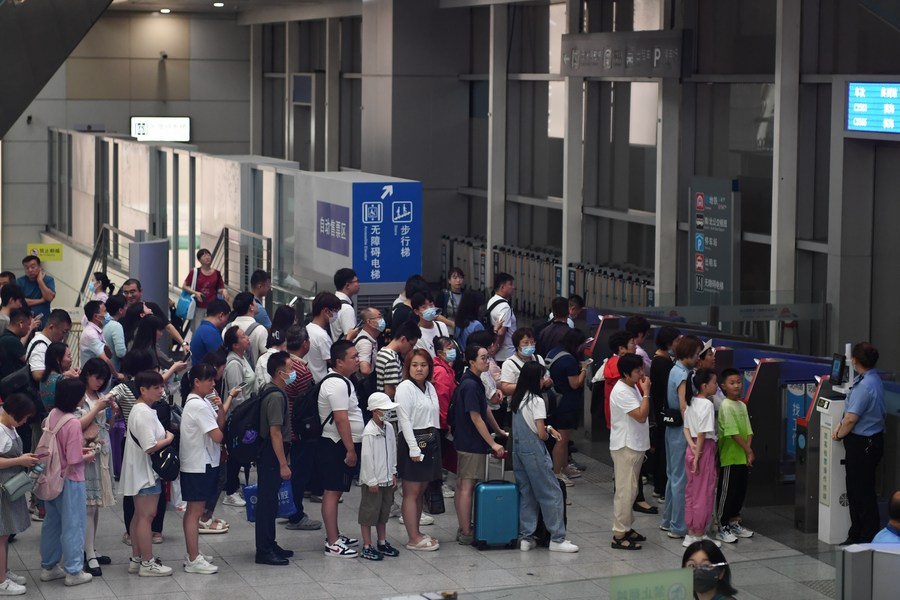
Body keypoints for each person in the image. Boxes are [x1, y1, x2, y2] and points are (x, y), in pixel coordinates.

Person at [511, 361, 579, 553]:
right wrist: (548, 433)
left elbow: (532, 424)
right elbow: (540, 434)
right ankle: (557, 538)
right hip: (535, 452)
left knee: (528, 494)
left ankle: (526, 537)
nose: (545, 380)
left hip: (519, 452)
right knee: (552, 492)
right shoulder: (537, 400)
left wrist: (547, 428)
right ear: (535, 379)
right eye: (542, 377)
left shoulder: (518, 398)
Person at [38, 378, 95, 587]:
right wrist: (88, 455)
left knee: (51, 524)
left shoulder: (53, 414)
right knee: (73, 525)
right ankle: (74, 570)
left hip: (51, 477)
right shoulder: (72, 422)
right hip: (71, 480)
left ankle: (49, 566)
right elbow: (73, 458)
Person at [179, 363, 235, 573]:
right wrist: (223, 427)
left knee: (195, 511)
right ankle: (193, 559)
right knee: (194, 512)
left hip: (201, 463)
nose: (213, 384)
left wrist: (220, 407)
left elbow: (218, 423)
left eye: (214, 380)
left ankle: (193, 553)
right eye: (209, 380)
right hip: (198, 465)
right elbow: (218, 435)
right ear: (196, 382)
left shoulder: (201, 402)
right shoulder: (198, 405)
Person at [121, 370, 175, 577]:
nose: (161, 391)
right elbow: (149, 446)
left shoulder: (142, 409)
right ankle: (147, 562)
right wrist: (169, 439)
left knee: (139, 515)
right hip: (145, 472)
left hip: (141, 471)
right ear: (143, 390)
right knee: (146, 516)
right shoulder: (142, 412)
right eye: (156, 388)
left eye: (161, 387)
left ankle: (137, 558)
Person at [832, 341, 886, 545]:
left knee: (860, 492)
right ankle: (858, 533)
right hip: (870, 442)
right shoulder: (873, 379)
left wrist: (838, 433)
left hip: (863, 444)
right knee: (861, 490)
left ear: (854, 361)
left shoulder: (864, 386)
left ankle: (864, 536)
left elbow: (851, 419)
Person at [452, 343, 506, 545]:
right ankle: (466, 531)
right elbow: (476, 417)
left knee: (463, 484)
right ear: (471, 361)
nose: (487, 361)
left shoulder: (473, 380)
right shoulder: (471, 385)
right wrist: (493, 443)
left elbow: (485, 410)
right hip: (471, 442)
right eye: (483, 358)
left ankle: (464, 526)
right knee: (466, 485)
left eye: (488, 357)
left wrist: (498, 430)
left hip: (466, 440)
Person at [318, 340, 365, 558]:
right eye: (353, 357)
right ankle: (333, 542)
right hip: (336, 445)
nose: (358, 360)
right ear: (339, 362)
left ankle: (335, 534)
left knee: (336, 491)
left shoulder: (343, 381)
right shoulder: (336, 384)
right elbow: (341, 419)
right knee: (332, 491)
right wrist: (350, 450)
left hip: (340, 444)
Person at [396, 349, 442, 552]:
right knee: (411, 491)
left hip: (431, 440)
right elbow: (404, 419)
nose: (419, 368)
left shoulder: (429, 387)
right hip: (412, 441)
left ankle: (417, 532)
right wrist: (413, 449)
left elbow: (434, 416)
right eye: (414, 365)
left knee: (422, 489)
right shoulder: (405, 387)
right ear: (408, 367)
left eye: (423, 364)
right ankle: (412, 537)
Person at [661, 335, 703, 541]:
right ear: (687, 354)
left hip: (672, 429)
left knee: (672, 476)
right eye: (696, 354)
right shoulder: (683, 375)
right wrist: (691, 435)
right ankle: (678, 526)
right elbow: (684, 406)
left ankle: (668, 519)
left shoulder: (675, 369)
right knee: (680, 479)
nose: (698, 358)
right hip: (681, 431)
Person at [77, 359, 116, 577]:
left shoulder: (99, 397)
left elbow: (105, 426)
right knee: (88, 506)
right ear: (87, 374)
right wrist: (99, 409)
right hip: (85, 453)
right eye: (97, 377)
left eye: (103, 379)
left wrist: (112, 412)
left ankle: (90, 548)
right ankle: (88, 553)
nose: (100, 383)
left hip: (101, 452)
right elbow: (76, 424)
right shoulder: (78, 396)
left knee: (96, 505)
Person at [608, 353, 651, 551]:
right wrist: (646, 393)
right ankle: (619, 534)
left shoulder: (631, 385)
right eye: (637, 371)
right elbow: (641, 416)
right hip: (626, 446)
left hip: (635, 444)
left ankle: (627, 527)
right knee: (625, 491)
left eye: (641, 368)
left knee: (632, 489)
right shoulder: (622, 391)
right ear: (625, 373)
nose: (641, 373)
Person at [281, 326, 322, 532]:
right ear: (305, 344)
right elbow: (309, 399)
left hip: (284, 426)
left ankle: (286, 508)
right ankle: (295, 514)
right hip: (298, 430)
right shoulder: (301, 371)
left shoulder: (283, 364)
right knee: (298, 474)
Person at [0, 393, 39, 596]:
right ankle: (1, 581)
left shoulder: (10, 427)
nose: (24, 421)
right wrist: (19, 461)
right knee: (1, 534)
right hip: (2, 488)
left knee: (5, 533)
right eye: (23, 417)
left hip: (9, 487)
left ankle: (3, 572)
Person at [357, 392, 401, 561]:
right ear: (375, 411)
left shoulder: (388, 428)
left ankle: (382, 541)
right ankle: (367, 545)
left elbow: (393, 450)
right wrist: (371, 480)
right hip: (373, 481)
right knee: (369, 513)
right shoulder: (369, 432)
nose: (388, 413)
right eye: (385, 410)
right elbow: (367, 459)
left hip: (387, 479)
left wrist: (393, 472)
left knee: (383, 512)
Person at [546, 329, 591, 485]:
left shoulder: (553, 352)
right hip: (567, 403)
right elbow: (575, 383)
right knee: (562, 440)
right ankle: (557, 474)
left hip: (556, 401)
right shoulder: (570, 360)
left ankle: (564, 467)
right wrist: (584, 368)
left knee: (562, 439)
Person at [715, 368, 755, 542]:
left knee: (739, 491)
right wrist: (748, 450)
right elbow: (732, 432)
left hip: (743, 456)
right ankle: (722, 525)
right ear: (723, 386)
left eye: (739, 382)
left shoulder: (742, 405)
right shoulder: (725, 405)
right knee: (727, 492)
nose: (737, 385)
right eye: (732, 383)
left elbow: (748, 430)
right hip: (730, 456)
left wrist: (748, 452)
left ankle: (733, 522)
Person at [683, 368, 720, 548]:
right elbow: (703, 433)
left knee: (691, 491)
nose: (716, 385)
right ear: (705, 386)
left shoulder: (691, 401)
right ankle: (699, 533)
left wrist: (691, 446)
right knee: (704, 492)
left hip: (692, 449)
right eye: (714, 382)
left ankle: (691, 532)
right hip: (703, 450)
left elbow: (687, 429)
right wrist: (698, 457)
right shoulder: (707, 404)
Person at [220, 325, 256, 508]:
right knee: (235, 453)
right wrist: (245, 419)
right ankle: (230, 491)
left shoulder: (243, 358)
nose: (247, 338)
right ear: (235, 345)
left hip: (245, 413)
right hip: (238, 417)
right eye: (243, 337)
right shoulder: (234, 364)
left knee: (240, 453)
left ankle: (234, 487)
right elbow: (236, 396)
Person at [650, 326, 681, 500]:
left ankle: (659, 485)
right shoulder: (662, 362)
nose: (679, 344)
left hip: (661, 411)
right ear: (669, 342)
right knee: (663, 449)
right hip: (664, 412)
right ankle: (661, 487)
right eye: (676, 341)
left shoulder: (663, 358)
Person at [120, 279, 189, 353]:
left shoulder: (151, 307)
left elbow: (168, 326)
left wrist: (183, 343)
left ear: (141, 291)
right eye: (126, 293)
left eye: (132, 292)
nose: (129, 295)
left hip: (147, 353)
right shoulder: (120, 310)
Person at [432, 336, 458, 490]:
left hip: (443, 418)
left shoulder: (446, 368)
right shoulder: (441, 371)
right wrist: (446, 421)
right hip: (441, 420)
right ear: (440, 353)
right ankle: (439, 484)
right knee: (441, 453)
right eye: (449, 348)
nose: (452, 350)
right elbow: (442, 398)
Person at [182, 248, 229, 331]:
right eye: (204, 255)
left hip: (212, 307)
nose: (207, 257)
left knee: (212, 329)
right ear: (199, 260)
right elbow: (185, 286)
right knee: (197, 329)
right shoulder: (195, 272)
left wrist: (224, 291)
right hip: (198, 306)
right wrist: (195, 292)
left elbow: (218, 288)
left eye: (208, 254)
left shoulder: (217, 273)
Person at [375, 321, 421, 399]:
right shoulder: (392, 359)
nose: (411, 349)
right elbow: (390, 392)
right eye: (411, 345)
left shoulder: (382, 351)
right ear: (403, 339)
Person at [602, 330, 637, 431]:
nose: (635, 346)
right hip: (626, 417)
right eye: (632, 343)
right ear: (621, 348)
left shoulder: (612, 362)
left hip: (615, 417)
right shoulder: (624, 368)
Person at [80, 300, 122, 380]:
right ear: (96, 316)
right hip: (92, 377)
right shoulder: (90, 334)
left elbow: (109, 355)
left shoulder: (98, 330)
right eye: (105, 311)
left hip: (99, 374)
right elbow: (105, 359)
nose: (107, 314)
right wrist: (117, 375)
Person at [305, 292, 342, 382]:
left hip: (309, 381)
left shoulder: (307, 328)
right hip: (319, 381)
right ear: (325, 311)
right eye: (335, 311)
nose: (336, 314)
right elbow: (335, 362)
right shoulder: (322, 336)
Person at [228, 292, 267, 367]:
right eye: (255, 301)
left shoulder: (227, 329)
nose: (257, 304)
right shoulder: (260, 330)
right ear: (251, 307)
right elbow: (265, 358)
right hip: (253, 375)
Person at [39, 342, 79, 414]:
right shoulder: (63, 380)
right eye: (69, 356)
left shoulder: (44, 378)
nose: (71, 359)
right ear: (58, 360)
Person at [189, 299, 231, 364]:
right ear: (221, 316)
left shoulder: (203, 328)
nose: (226, 322)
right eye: (227, 318)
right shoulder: (210, 332)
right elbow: (221, 358)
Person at [17, 255, 55, 324]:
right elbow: (20, 302)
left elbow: (49, 298)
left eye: (33, 267)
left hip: (44, 319)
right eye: (26, 268)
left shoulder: (48, 279)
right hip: (25, 320)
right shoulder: (20, 281)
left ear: (39, 267)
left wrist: (40, 281)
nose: (30, 270)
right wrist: (42, 300)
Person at [487, 273, 517, 363]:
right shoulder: (505, 307)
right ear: (502, 287)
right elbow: (502, 332)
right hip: (506, 353)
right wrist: (495, 348)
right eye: (510, 284)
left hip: (498, 353)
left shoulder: (492, 301)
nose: (513, 287)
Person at [412, 292, 451, 357]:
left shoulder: (441, 326)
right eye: (424, 307)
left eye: (431, 305)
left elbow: (449, 349)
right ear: (416, 311)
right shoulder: (416, 334)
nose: (429, 309)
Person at [0, 309, 31, 380]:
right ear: (21, 323)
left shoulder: (5, 336)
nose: (29, 328)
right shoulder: (11, 340)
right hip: (9, 384)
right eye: (28, 324)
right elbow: (30, 361)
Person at [331, 268, 360, 341]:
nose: (358, 284)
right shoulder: (346, 308)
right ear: (347, 285)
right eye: (356, 281)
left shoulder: (333, 301)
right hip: (343, 350)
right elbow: (350, 337)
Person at [355, 307, 385, 378]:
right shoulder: (365, 343)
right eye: (379, 317)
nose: (382, 320)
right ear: (369, 322)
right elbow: (365, 370)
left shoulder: (371, 338)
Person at [103, 295, 128, 375]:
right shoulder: (116, 326)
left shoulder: (103, 323)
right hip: (112, 370)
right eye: (125, 306)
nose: (127, 308)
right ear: (120, 310)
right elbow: (121, 353)